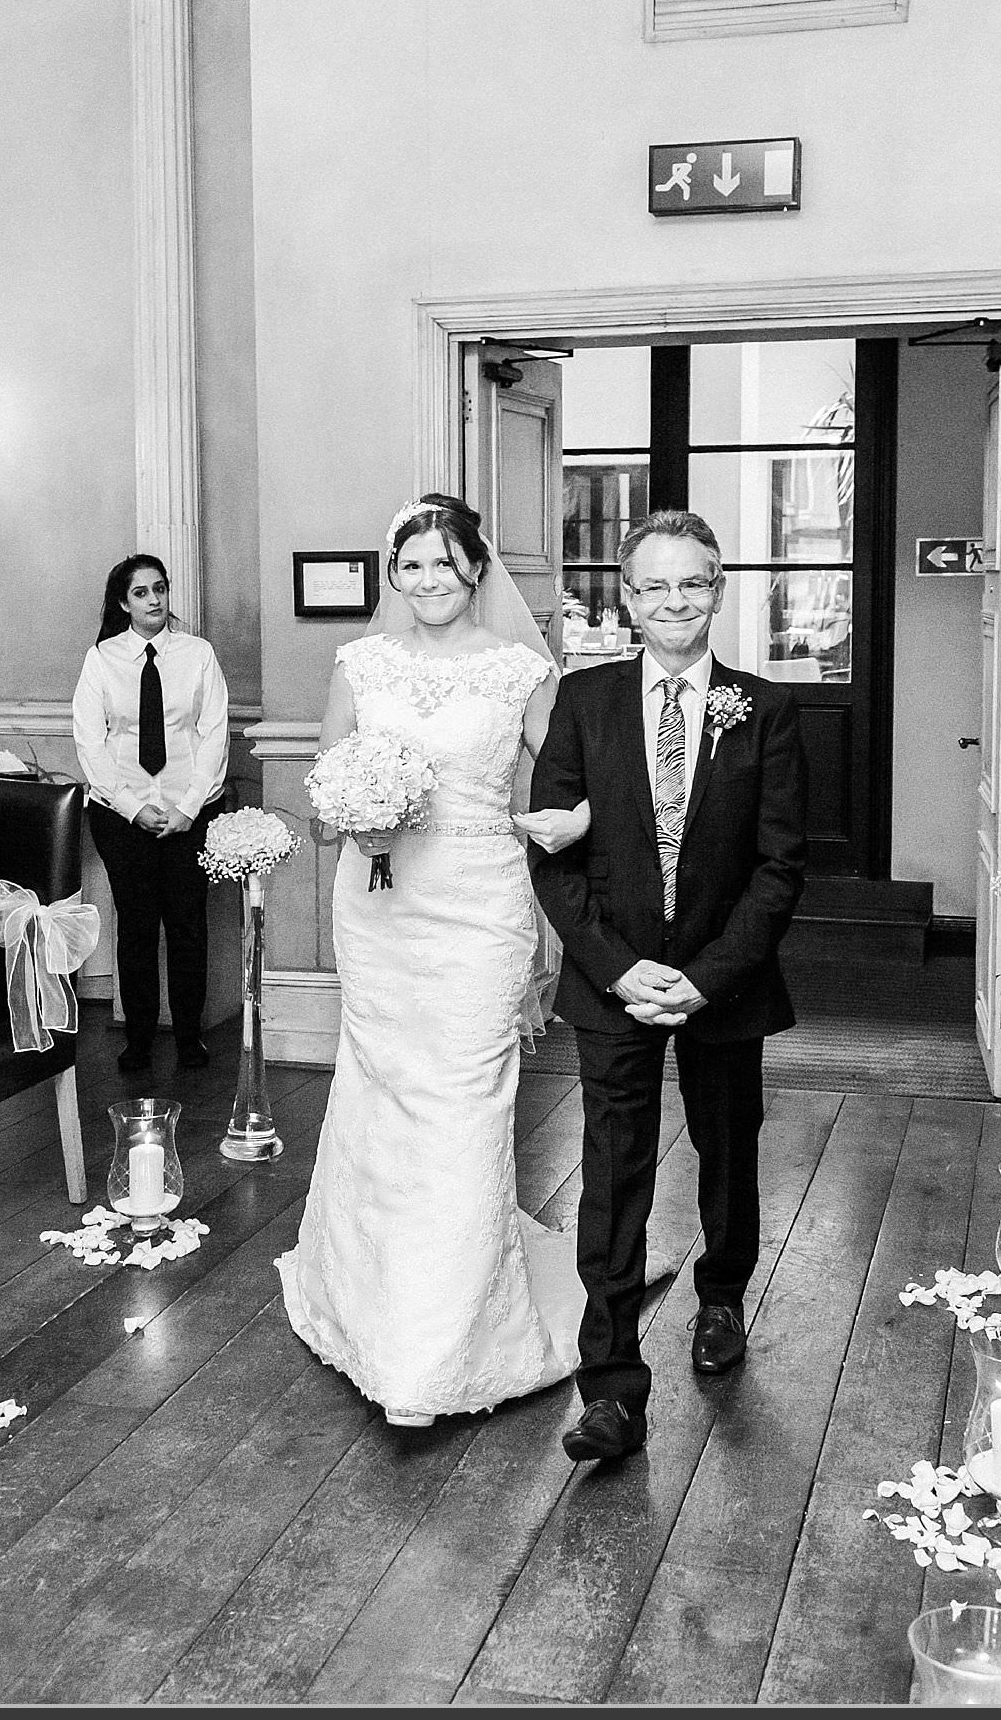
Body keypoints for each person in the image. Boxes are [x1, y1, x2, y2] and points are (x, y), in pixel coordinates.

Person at [276, 495, 592, 1427]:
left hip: (481, 900)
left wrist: (570, 818)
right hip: (380, 904)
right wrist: (357, 816)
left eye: (445, 565)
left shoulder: (516, 669)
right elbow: (326, 786)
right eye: (410, 567)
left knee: (463, 1092)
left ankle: (449, 1336)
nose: (428, 582)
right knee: (381, 1084)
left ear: (477, 569)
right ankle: (370, 1300)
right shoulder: (360, 665)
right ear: (393, 577)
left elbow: (575, 766)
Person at [529, 509, 807, 1464]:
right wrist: (616, 967)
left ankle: (722, 1295)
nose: (673, 601)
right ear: (628, 597)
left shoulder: (763, 708)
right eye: (653, 586)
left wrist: (703, 978)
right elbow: (554, 855)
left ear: (718, 591)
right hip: (614, 979)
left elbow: (780, 866)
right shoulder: (584, 700)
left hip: (722, 981)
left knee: (729, 1147)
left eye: (692, 583)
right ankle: (610, 1389)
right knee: (612, 1174)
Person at [70, 555, 230, 1073]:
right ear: (124, 602)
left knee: (188, 925)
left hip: (192, 812)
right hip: (122, 817)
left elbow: (213, 735)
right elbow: (91, 744)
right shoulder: (102, 659)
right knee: (136, 928)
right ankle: (137, 1039)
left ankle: (188, 1038)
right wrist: (135, 809)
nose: (154, 600)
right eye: (141, 593)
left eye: (160, 589)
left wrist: (186, 809)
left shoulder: (197, 655)